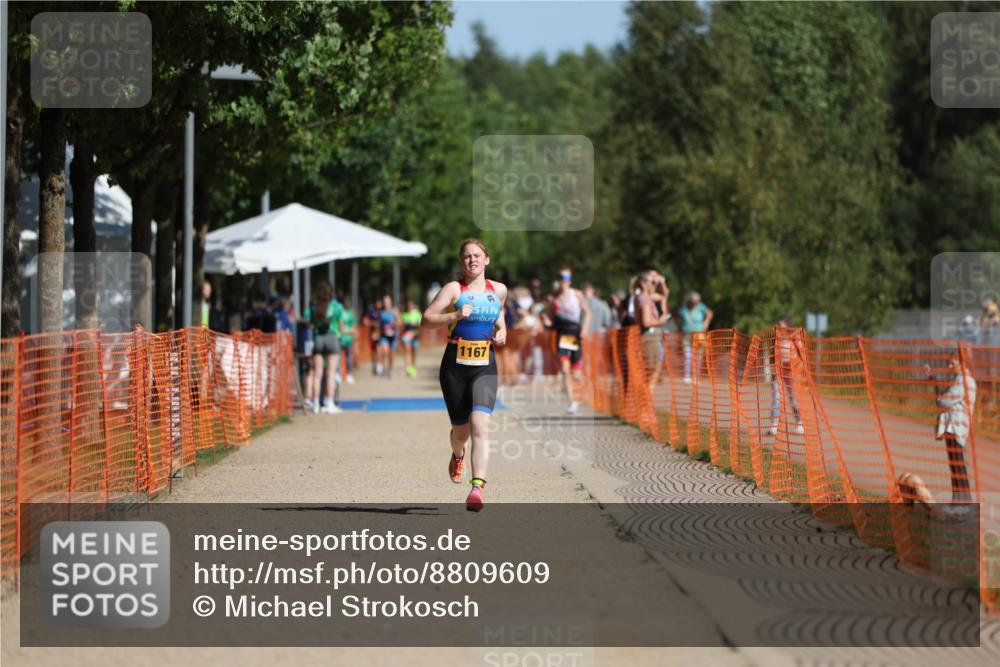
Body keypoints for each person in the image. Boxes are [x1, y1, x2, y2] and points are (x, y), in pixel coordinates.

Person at [423, 239, 507, 512]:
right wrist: (455, 315)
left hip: (485, 365)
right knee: (461, 431)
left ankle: (477, 488)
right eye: (467, 256)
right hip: (455, 366)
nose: (473, 260)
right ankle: (457, 453)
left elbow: (499, 313)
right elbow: (426, 320)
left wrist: (502, 330)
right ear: (462, 262)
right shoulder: (453, 290)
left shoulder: (499, 290)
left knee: (480, 425)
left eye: (477, 255)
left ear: (487, 259)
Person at [927, 354, 977, 502]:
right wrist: (934, 382)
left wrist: (938, 392)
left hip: (956, 428)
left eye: (952, 364)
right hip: (953, 428)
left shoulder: (964, 381)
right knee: (955, 468)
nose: (949, 367)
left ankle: (963, 504)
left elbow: (943, 402)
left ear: (962, 363)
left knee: (958, 468)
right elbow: (943, 400)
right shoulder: (959, 379)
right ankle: (959, 503)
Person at [545, 268, 591, 414]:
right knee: (565, 369)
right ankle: (573, 402)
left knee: (576, 372)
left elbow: (588, 313)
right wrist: (547, 321)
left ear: (570, 280)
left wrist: (584, 329)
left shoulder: (577, 294)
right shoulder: (555, 298)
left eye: (566, 278)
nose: (564, 281)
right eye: (561, 278)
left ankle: (583, 393)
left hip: (574, 333)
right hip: (562, 334)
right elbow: (550, 316)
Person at [304, 281, 343, 414]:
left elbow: (310, 322)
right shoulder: (336, 306)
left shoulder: (313, 306)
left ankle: (315, 404)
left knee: (317, 374)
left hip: (318, 338)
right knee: (331, 373)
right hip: (332, 337)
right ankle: (329, 403)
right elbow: (341, 326)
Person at [769, 315, 804, 436]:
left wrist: (804, 369)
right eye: (779, 327)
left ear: (788, 327)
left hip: (792, 371)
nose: (780, 329)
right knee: (777, 398)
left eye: (782, 327)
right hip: (779, 371)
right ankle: (774, 425)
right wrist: (772, 369)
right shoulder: (775, 339)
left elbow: (802, 354)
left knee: (793, 398)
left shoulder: (795, 338)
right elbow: (771, 355)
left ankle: (799, 423)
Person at [634, 271, 669, 390]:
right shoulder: (644, 299)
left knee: (651, 375)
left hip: (650, 338)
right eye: (652, 282)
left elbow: (664, 295)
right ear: (644, 284)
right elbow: (646, 322)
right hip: (649, 339)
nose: (654, 285)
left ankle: (645, 405)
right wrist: (661, 321)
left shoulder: (644, 297)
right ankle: (644, 405)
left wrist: (661, 282)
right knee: (650, 374)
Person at [678, 291, 713, 382]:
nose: (695, 303)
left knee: (698, 356)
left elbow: (710, 313)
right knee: (687, 355)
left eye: (697, 301)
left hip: (699, 334)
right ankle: (687, 375)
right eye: (693, 301)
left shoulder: (701, 307)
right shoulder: (683, 309)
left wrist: (706, 322)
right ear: (689, 300)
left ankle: (695, 376)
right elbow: (677, 318)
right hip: (687, 335)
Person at [377, 294, 402, 378]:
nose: (386, 303)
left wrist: (394, 324)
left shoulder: (395, 311)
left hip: (393, 336)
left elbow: (400, 323)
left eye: (388, 301)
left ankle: (389, 370)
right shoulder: (381, 312)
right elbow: (379, 324)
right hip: (384, 336)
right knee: (384, 352)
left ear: (390, 302)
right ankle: (384, 369)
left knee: (391, 355)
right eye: (385, 302)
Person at [337, 292, 358, 384]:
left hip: (348, 339)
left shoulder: (350, 314)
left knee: (348, 357)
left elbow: (353, 327)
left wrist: (354, 336)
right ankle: (339, 374)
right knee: (338, 357)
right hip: (340, 338)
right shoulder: (338, 313)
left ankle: (348, 374)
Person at [401, 299, 423, 378]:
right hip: (407, 336)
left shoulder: (417, 314)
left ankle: (413, 367)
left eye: (411, 305)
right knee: (407, 351)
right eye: (408, 305)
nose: (409, 307)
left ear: (413, 306)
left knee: (414, 352)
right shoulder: (404, 314)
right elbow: (401, 326)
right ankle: (408, 368)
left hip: (415, 335)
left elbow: (421, 325)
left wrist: (416, 324)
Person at [363, 300, 382, 376]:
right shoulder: (371, 312)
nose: (379, 304)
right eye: (377, 303)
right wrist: (373, 323)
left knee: (380, 349)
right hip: (373, 334)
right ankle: (374, 364)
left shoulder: (383, 311)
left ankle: (379, 365)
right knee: (374, 351)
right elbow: (365, 321)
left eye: (380, 303)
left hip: (382, 334)